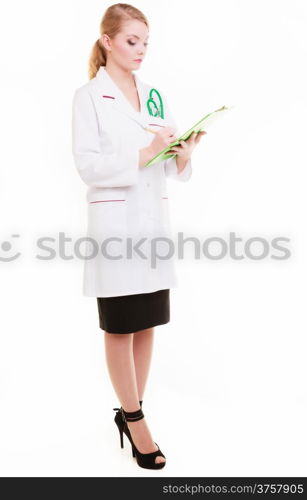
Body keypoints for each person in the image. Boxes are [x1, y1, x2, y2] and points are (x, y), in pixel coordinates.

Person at [71, 3, 205, 470]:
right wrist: (145, 154)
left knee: (147, 321)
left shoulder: (152, 95)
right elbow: (87, 166)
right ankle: (134, 416)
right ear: (108, 41)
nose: (141, 50)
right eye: (132, 41)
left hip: (151, 224)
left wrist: (180, 155)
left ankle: (133, 409)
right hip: (115, 228)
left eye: (146, 42)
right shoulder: (88, 97)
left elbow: (162, 163)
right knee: (120, 324)